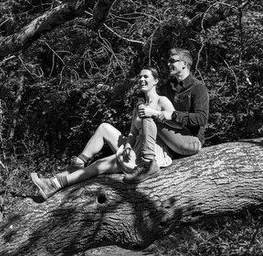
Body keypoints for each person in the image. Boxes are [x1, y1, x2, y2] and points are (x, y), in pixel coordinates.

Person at [30, 67, 174, 200]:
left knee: (99, 165)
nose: (141, 79)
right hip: (135, 145)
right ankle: (78, 164)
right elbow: (132, 133)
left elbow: (174, 119)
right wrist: (128, 146)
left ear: (156, 80)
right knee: (104, 127)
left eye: (146, 77)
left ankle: (54, 184)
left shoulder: (162, 101)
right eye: (140, 77)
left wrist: (153, 112)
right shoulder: (139, 105)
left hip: (150, 150)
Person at [124, 47, 210, 184]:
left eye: (172, 61)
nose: (168, 64)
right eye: (168, 61)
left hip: (191, 141)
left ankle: (148, 164)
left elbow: (202, 118)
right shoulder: (168, 87)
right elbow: (147, 94)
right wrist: (141, 104)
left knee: (150, 115)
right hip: (170, 142)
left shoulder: (198, 88)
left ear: (184, 64)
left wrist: (174, 115)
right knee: (148, 112)